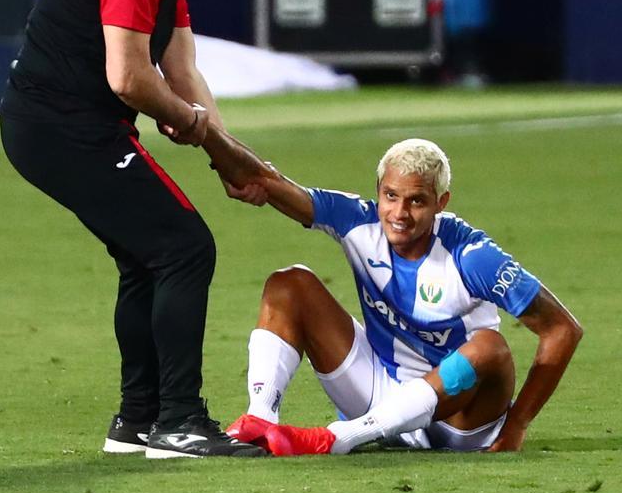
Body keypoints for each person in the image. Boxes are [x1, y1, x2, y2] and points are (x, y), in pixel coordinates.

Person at [0, 0, 267, 458]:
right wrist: (195, 126)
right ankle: (178, 420)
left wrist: (226, 152)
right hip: (61, 126)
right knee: (183, 248)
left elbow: (180, 66)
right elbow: (129, 77)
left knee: (149, 256)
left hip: (64, 124)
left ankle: (138, 421)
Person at [204, 135, 582, 455]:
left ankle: (340, 439)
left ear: (441, 203)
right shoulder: (358, 220)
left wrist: (516, 425)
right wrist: (204, 131)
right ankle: (259, 421)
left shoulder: (474, 256)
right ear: (378, 193)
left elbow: (563, 329)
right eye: (391, 196)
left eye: (416, 201)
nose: (399, 213)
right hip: (377, 393)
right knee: (289, 285)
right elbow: (267, 180)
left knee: (491, 348)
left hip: (456, 420)